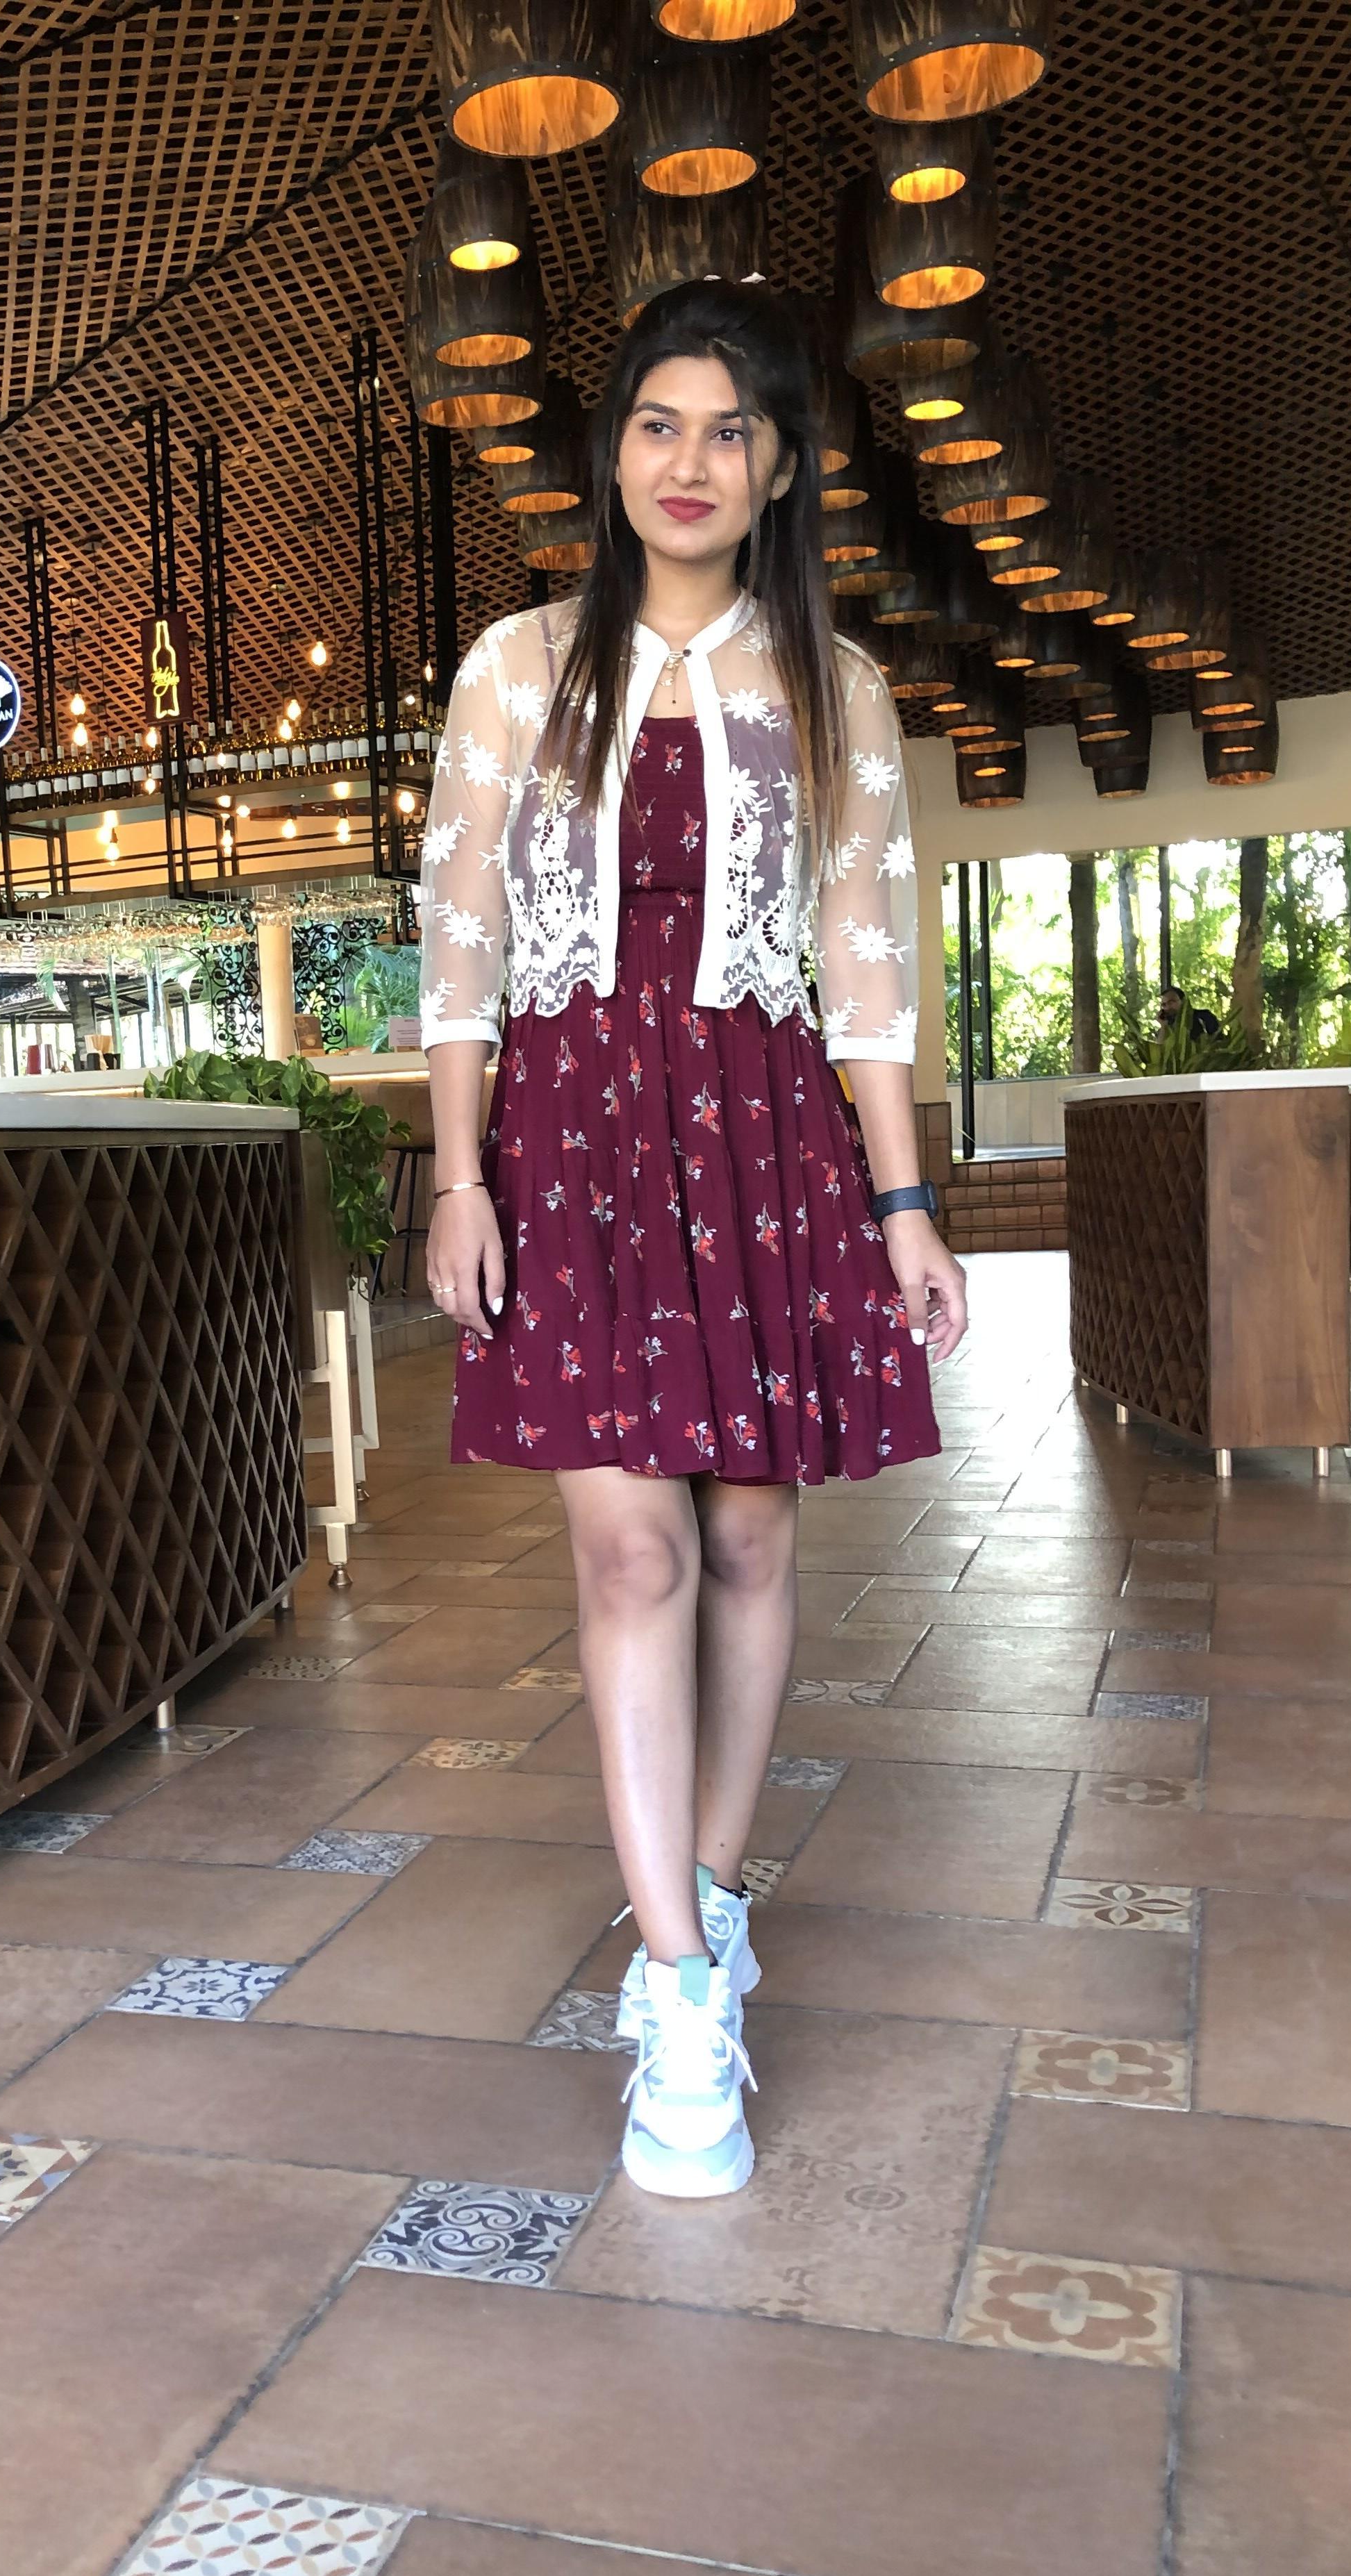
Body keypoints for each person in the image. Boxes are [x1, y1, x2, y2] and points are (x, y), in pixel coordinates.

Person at [419, 283, 968, 2201]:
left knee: (747, 1535)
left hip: (760, 1136)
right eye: (658, 422)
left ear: (783, 469)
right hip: (570, 1144)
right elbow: (463, 941)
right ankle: (674, 1998)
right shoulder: (515, 669)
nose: (689, 461)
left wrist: (905, 1204)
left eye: (729, 430)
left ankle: (713, 1897)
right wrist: (459, 1174)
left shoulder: (834, 685)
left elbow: (866, 963)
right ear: (611, 455)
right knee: (632, 1547)